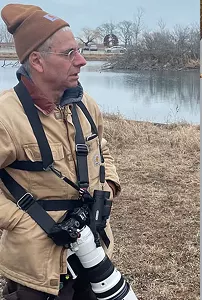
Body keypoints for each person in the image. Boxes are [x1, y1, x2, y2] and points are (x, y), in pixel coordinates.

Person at [0, 3, 121, 300]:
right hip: (38, 269)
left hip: (93, 252)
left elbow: (101, 148)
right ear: (38, 61)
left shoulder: (85, 105)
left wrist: (109, 186)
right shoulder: (5, 117)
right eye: (69, 54)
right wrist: (20, 221)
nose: (81, 61)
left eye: (78, 50)